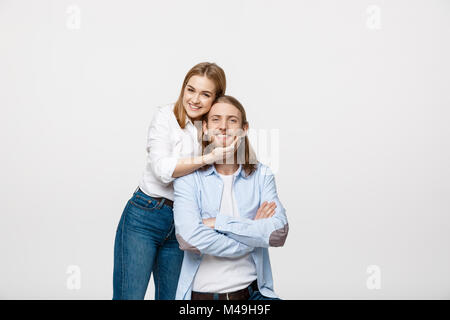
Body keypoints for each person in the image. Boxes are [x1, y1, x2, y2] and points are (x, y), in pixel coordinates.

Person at [113, 62, 239, 300]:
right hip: (145, 215)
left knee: (175, 299)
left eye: (205, 94)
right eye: (190, 90)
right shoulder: (165, 116)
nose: (194, 99)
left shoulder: (212, 130)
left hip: (184, 222)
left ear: (216, 99)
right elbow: (162, 170)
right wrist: (209, 157)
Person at [173, 95, 289, 300]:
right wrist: (252, 235)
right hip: (204, 297)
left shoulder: (262, 175)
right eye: (216, 119)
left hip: (254, 294)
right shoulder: (188, 179)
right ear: (205, 128)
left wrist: (217, 222)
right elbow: (189, 238)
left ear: (244, 129)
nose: (223, 126)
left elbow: (277, 233)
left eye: (232, 120)